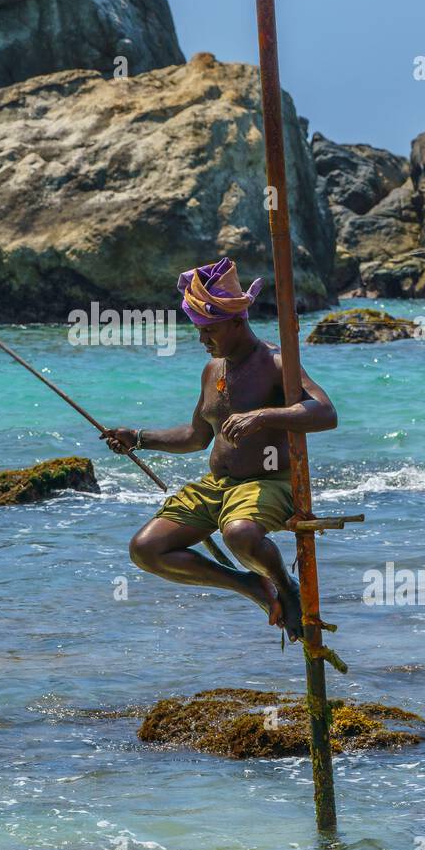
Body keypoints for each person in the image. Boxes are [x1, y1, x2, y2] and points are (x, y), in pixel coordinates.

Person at [101, 258, 338, 641]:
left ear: (237, 322)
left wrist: (263, 416)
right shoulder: (212, 371)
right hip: (219, 486)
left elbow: (325, 412)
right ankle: (250, 586)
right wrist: (139, 438)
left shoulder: (277, 362)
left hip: (270, 481)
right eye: (198, 331)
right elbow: (196, 436)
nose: (202, 340)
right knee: (147, 548)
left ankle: (285, 586)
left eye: (208, 330)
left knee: (240, 534)